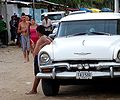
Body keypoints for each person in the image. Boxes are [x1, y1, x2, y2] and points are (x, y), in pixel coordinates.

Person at [25, 25, 52, 95]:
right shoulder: (43, 37)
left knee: (37, 73)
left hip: (38, 57)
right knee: (37, 73)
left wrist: (41, 46)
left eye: (37, 31)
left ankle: (34, 89)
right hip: (37, 56)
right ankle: (34, 89)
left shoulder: (43, 37)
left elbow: (50, 42)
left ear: (39, 32)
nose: (36, 33)